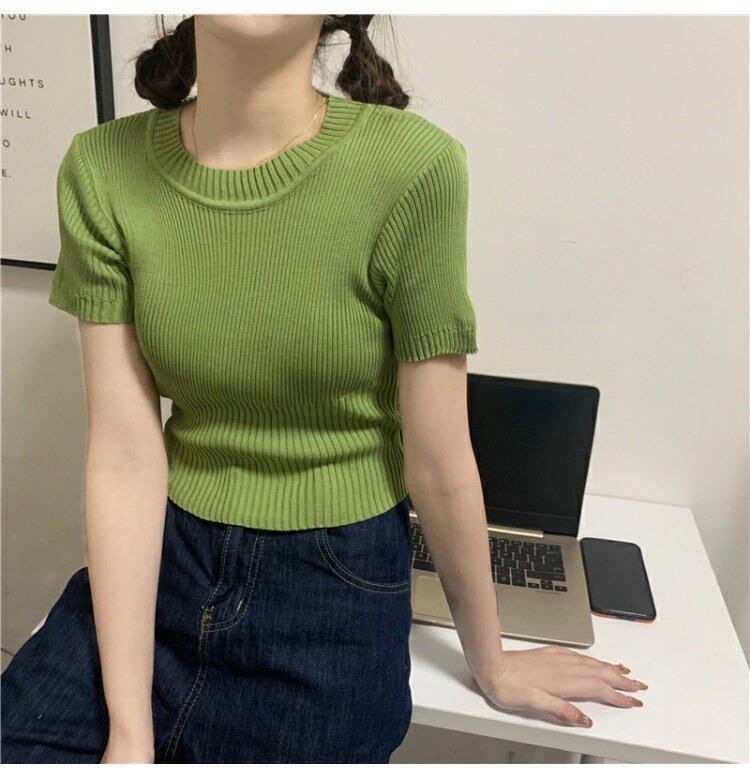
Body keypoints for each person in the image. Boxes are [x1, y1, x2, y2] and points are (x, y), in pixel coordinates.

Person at [1, 14, 647, 764]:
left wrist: (492, 662)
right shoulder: (100, 168)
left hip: (334, 583)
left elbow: (438, 462)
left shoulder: (413, 167)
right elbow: (123, 456)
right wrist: (129, 731)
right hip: (165, 559)